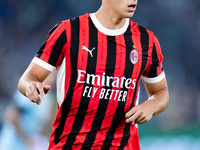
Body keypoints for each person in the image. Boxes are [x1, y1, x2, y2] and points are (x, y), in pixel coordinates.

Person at [18, 0, 169, 149]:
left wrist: (152, 105)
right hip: (70, 145)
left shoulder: (147, 41)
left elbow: (161, 92)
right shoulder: (68, 31)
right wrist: (31, 86)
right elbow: (27, 78)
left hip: (122, 145)